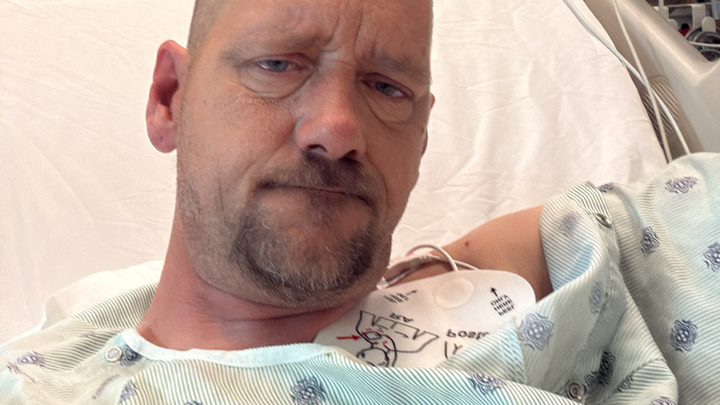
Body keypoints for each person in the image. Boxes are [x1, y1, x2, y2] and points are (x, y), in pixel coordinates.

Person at [1, 0, 718, 403]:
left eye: (386, 87)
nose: (339, 127)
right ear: (171, 99)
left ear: (422, 140)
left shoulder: (581, 256)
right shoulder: (46, 385)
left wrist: (435, 276)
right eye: (278, 64)